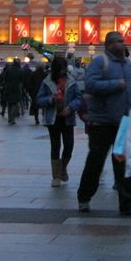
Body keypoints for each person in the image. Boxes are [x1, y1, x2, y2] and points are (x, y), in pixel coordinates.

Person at [76, 31, 131, 216]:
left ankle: (128, 203)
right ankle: (84, 196)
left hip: (124, 122)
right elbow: (89, 85)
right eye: (119, 42)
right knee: (95, 162)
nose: (123, 44)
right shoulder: (100, 62)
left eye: (123, 41)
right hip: (102, 122)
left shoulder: (129, 65)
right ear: (109, 44)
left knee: (123, 163)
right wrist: (115, 84)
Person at [36, 56, 80, 187]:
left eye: (64, 69)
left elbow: (78, 98)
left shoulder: (71, 81)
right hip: (52, 118)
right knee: (55, 146)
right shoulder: (47, 82)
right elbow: (39, 99)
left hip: (68, 117)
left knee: (69, 146)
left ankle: (63, 168)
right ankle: (56, 176)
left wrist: (71, 107)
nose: (62, 71)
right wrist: (51, 99)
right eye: (60, 69)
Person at [0, 59, 24, 123]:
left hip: (8, 88)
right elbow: (22, 81)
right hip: (16, 89)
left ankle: (9, 118)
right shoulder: (20, 70)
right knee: (15, 104)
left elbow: (4, 78)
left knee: (9, 103)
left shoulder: (8, 70)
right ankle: (12, 119)